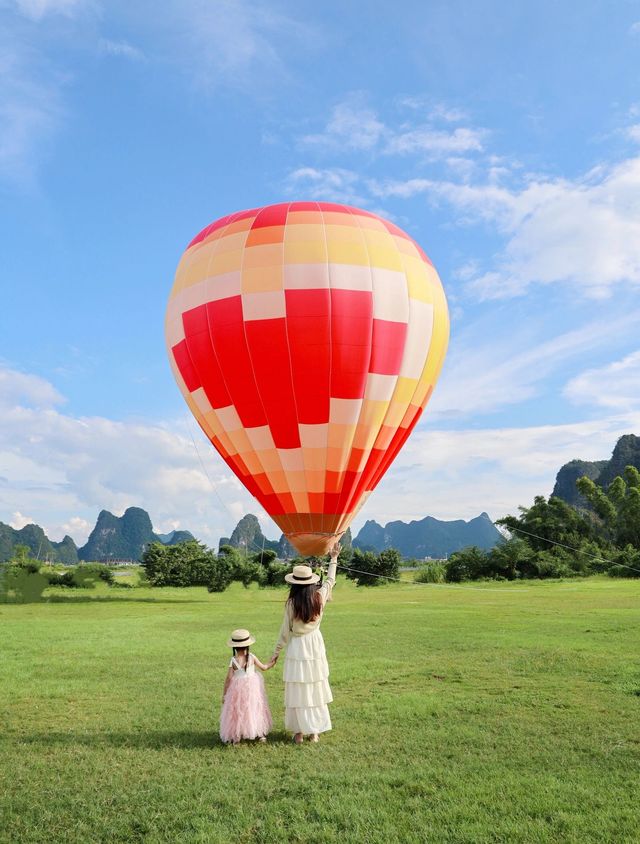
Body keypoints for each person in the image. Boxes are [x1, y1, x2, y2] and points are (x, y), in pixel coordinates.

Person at [271, 543, 340, 744]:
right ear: (311, 582)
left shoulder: (292, 604)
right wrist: (334, 558)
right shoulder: (319, 597)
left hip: (297, 647)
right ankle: (314, 732)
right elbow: (330, 580)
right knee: (314, 687)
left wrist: (276, 652)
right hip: (314, 644)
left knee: (298, 689)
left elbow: (285, 631)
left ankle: (299, 732)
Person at [220, 628, 275, 744]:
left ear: (234, 647)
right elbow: (264, 667)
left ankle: (237, 737)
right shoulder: (252, 657)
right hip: (252, 688)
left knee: (238, 711)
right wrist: (272, 662)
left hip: (237, 690)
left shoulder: (233, 660)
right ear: (247, 646)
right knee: (255, 708)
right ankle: (260, 734)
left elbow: (229, 678)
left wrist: (225, 694)